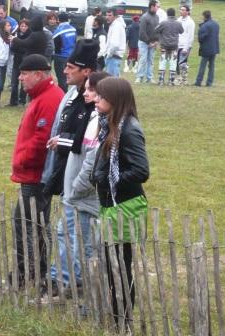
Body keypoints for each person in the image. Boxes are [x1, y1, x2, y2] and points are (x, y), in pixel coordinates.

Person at [40, 39, 100, 291]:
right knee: (64, 230)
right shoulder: (72, 94)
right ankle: (61, 276)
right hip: (66, 174)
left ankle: (72, 280)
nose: (64, 71)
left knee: (78, 235)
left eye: (71, 67)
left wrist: (64, 142)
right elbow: (60, 129)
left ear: (86, 71)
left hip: (81, 182)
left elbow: (89, 145)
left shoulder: (94, 102)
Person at [90, 77, 149, 327]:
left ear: (114, 100)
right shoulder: (110, 124)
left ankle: (122, 321)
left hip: (125, 205)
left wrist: (108, 179)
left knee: (121, 266)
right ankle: (116, 316)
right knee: (111, 264)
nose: (95, 99)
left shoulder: (129, 129)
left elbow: (141, 170)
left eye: (100, 97)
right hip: (111, 205)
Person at [11, 54, 64, 288]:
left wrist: (22, 160)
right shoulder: (41, 95)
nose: (20, 78)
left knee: (28, 222)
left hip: (36, 174)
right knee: (35, 221)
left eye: (24, 73)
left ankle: (29, 273)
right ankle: (35, 271)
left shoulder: (49, 98)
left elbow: (43, 139)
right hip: (33, 172)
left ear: (38, 74)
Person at [155, 8, 183, 86]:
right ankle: (171, 80)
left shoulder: (163, 23)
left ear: (167, 14)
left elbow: (156, 30)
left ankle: (161, 80)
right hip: (174, 46)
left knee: (162, 62)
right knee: (173, 63)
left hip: (164, 45)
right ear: (174, 14)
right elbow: (182, 31)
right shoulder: (178, 23)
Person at [7, 18, 31, 106]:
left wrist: (19, 43)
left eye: (25, 26)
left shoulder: (30, 36)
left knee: (24, 83)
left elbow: (27, 47)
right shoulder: (15, 35)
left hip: (25, 62)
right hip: (16, 61)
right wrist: (13, 42)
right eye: (22, 26)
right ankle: (13, 101)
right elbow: (13, 49)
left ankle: (22, 100)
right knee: (14, 82)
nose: (23, 28)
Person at [135, 0, 159, 84]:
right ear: (152, 6)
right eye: (157, 6)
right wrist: (149, 42)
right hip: (143, 43)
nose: (158, 8)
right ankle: (139, 77)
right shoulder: (144, 17)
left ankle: (149, 78)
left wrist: (156, 41)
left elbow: (157, 30)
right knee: (143, 59)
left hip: (153, 43)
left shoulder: (157, 17)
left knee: (150, 60)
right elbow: (142, 32)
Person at [52, 13, 77, 92]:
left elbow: (56, 46)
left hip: (60, 57)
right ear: (67, 19)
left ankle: (62, 96)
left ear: (58, 20)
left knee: (61, 78)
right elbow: (75, 42)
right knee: (67, 77)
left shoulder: (58, 31)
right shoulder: (73, 29)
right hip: (70, 57)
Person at [195, 10, 220, 87]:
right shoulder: (216, 24)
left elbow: (201, 38)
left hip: (206, 48)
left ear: (204, 16)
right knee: (211, 66)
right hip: (214, 48)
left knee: (203, 65)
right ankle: (209, 82)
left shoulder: (205, 26)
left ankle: (198, 81)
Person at [176, 5, 195, 86]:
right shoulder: (178, 20)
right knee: (176, 63)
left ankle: (184, 79)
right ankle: (179, 78)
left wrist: (186, 48)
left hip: (185, 45)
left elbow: (190, 36)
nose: (181, 11)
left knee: (182, 63)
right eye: (181, 10)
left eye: (183, 10)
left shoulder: (190, 22)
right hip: (177, 44)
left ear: (187, 11)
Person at [104, 8, 126, 77]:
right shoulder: (114, 24)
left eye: (110, 15)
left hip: (113, 57)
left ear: (115, 16)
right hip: (113, 57)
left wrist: (109, 54)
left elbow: (115, 44)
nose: (107, 17)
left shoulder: (116, 26)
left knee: (111, 83)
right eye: (106, 15)